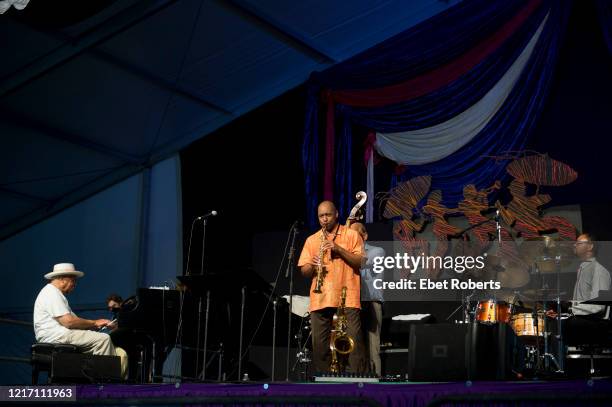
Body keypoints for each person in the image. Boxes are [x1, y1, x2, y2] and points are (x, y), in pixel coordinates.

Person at [298, 201, 365, 373]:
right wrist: (311, 266)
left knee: (353, 343)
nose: (324, 219)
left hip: (347, 295)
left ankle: (355, 383)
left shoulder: (351, 235)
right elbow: (304, 271)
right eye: (321, 216)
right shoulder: (312, 240)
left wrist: (338, 249)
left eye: (328, 215)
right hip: (320, 297)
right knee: (319, 345)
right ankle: (325, 381)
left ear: (336, 214)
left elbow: (361, 262)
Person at [33, 263, 128, 379]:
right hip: (56, 336)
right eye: (73, 281)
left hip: (60, 334)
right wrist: (94, 323)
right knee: (103, 339)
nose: (74, 285)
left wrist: (96, 325)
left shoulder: (56, 294)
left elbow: (75, 322)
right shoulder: (51, 293)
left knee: (118, 352)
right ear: (62, 279)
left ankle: (103, 378)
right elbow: (69, 322)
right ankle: (104, 383)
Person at [547, 233, 611, 344]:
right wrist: (562, 313)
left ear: (590, 246)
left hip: (597, 324)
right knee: (553, 321)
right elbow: (580, 304)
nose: (574, 245)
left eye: (579, 243)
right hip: (584, 320)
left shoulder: (599, 271)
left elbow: (598, 307)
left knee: (563, 325)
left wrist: (570, 309)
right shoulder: (583, 269)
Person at [350, 222, 385, 376]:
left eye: (354, 234)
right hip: (353, 303)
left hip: (371, 301)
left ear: (364, 236)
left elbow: (362, 263)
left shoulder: (377, 251)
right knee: (354, 346)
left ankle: (376, 381)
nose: (350, 238)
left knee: (373, 347)